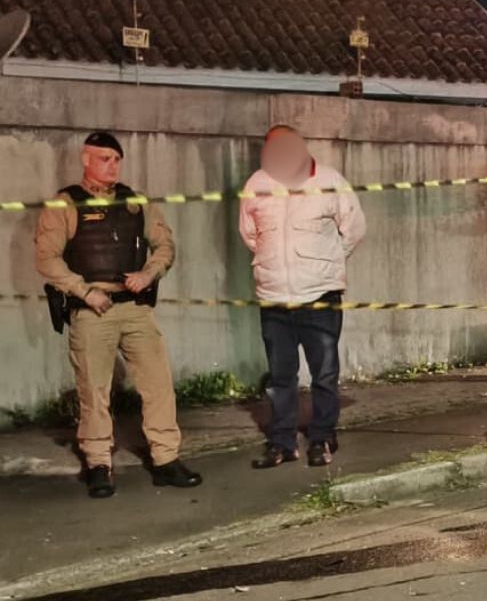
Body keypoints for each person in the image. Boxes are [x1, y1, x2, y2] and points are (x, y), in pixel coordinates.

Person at [35, 132, 203, 498]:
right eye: (103, 159)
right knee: (94, 391)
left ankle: (166, 460)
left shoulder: (135, 201)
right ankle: (98, 463)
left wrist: (148, 274)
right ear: (86, 159)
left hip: (135, 308)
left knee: (158, 383)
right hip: (93, 310)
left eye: (115, 159)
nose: (111, 166)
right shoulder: (66, 204)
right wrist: (84, 291)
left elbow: (165, 245)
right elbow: (47, 258)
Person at [240, 125, 366, 468]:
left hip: (319, 298)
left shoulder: (329, 181)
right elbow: (250, 235)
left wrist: (324, 265)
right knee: (281, 377)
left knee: (324, 374)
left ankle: (322, 437)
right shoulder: (257, 185)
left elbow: (354, 229)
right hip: (274, 299)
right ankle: (282, 443)